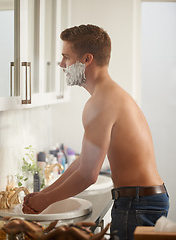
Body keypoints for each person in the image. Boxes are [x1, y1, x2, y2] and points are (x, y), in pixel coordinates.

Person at [22, 24, 169, 240]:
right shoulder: (108, 95)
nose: (61, 64)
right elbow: (82, 163)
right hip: (143, 201)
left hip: (137, 205)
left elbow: (88, 175)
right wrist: (44, 193)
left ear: (87, 59)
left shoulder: (101, 102)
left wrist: (44, 201)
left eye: (66, 57)